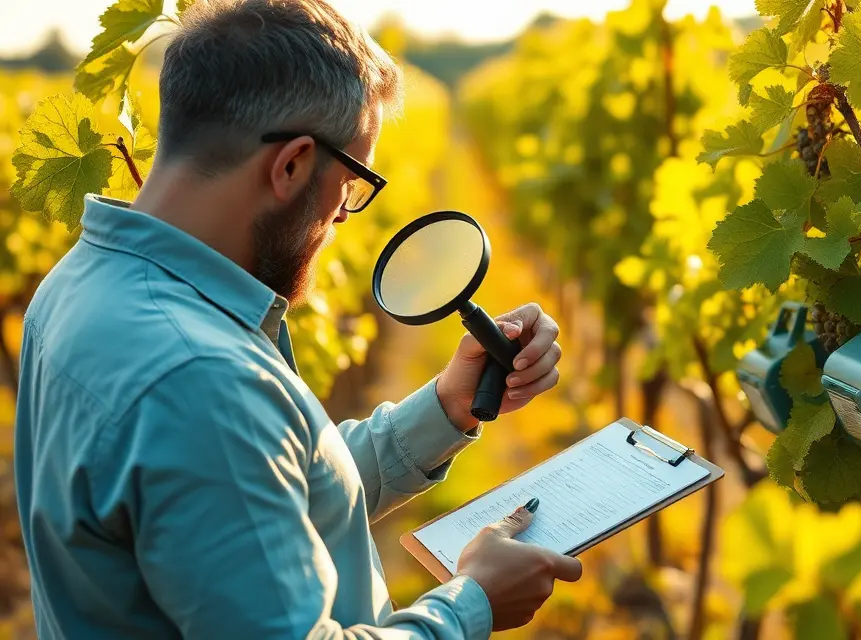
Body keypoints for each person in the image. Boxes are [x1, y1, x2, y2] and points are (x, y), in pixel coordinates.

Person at [12, 0, 582, 638]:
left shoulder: (83, 282)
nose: (341, 221)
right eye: (349, 189)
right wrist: (470, 603)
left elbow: (254, 497)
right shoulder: (200, 377)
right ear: (291, 165)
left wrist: (447, 407)